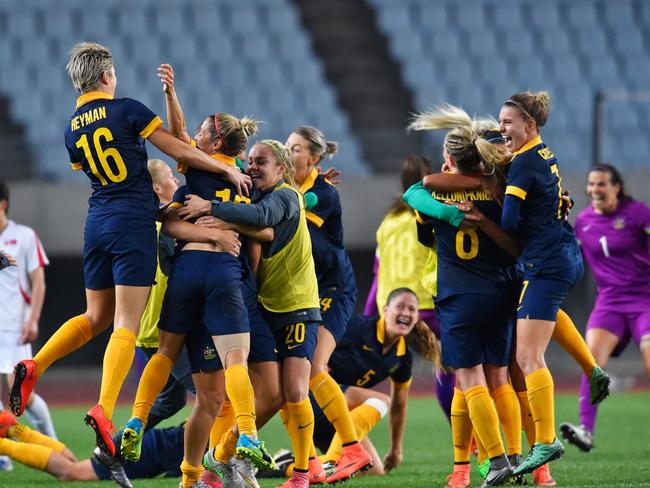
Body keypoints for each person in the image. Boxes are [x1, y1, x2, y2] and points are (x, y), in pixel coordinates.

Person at [9, 42, 251, 458]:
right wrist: (224, 167)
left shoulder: (71, 127)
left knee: (94, 316)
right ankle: (104, 407)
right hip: (131, 223)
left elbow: (96, 171)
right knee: (125, 322)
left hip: (96, 222)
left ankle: (35, 366)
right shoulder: (126, 109)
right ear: (106, 75)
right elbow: (176, 148)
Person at [180, 140, 321, 488]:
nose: (253, 166)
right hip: (261, 305)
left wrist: (209, 207)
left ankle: (300, 472)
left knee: (292, 390)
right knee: (263, 394)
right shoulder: (252, 195)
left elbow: (263, 222)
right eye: (251, 160)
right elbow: (260, 227)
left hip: (296, 305)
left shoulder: (286, 195)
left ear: (282, 169)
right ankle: (226, 461)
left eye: (262, 162)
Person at [407, 105, 519, 488]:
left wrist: (449, 213)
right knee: (499, 379)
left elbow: (417, 205)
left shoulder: (436, 196)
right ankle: (522, 462)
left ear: (450, 159)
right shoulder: (502, 190)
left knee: (469, 381)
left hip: (458, 296)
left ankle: (495, 460)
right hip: (503, 291)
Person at [496, 91, 584, 476]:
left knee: (528, 358)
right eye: (500, 123)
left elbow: (510, 222)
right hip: (560, 254)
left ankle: (546, 440)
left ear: (529, 125)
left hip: (545, 263)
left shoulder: (524, 164)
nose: (502, 129)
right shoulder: (543, 154)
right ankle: (592, 370)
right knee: (528, 355)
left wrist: (488, 202)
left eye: (508, 122)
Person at [286, 126, 372, 483]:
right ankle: (309, 461)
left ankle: (352, 447)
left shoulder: (322, 195)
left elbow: (289, 224)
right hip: (301, 292)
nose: (288, 153)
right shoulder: (291, 189)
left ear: (314, 158)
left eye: (294, 149)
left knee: (316, 368)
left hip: (332, 290)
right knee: (289, 384)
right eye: (287, 147)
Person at [560, 164, 650, 453]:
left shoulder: (638, 213)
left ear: (616, 187)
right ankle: (585, 430)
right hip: (609, 302)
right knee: (592, 363)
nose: (594, 190)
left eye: (601, 184)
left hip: (645, 300)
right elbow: (569, 255)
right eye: (591, 184)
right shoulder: (583, 221)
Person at [364, 154, 456, 422]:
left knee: (375, 372)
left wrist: (369, 318)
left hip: (388, 310)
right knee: (452, 367)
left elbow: (378, 276)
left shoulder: (387, 223)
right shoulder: (430, 215)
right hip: (427, 308)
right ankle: (466, 437)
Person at [0, 179, 58, 455]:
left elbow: (39, 281)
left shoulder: (23, 236)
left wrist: (33, 319)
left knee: (19, 393)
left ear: (3, 205)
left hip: (14, 328)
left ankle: (54, 445)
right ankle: (4, 456)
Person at [0, 408, 184, 488]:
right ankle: (3, 445)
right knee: (71, 472)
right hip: (151, 451)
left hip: (153, 442)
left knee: (72, 463)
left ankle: (14, 429)